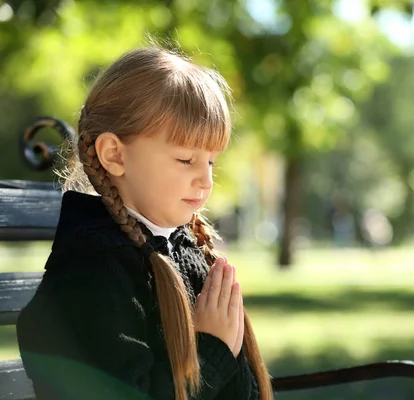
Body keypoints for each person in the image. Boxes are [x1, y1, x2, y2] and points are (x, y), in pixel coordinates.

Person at [16, 45, 273, 400]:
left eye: (211, 162)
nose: (206, 180)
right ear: (114, 155)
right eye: (185, 159)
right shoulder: (92, 272)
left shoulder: (183, 251)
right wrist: (213, 349)